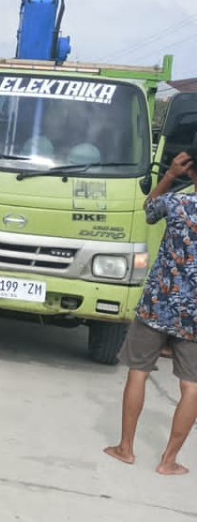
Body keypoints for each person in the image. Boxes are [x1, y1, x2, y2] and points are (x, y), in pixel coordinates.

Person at [104, 150, 197, 475]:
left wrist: (171, 175)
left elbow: (148, 210)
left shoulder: (177, 204)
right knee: (192, 386)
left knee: (138, 371)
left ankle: (126, 448)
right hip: (195, 315)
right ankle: (168, 460)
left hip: (159, 303)